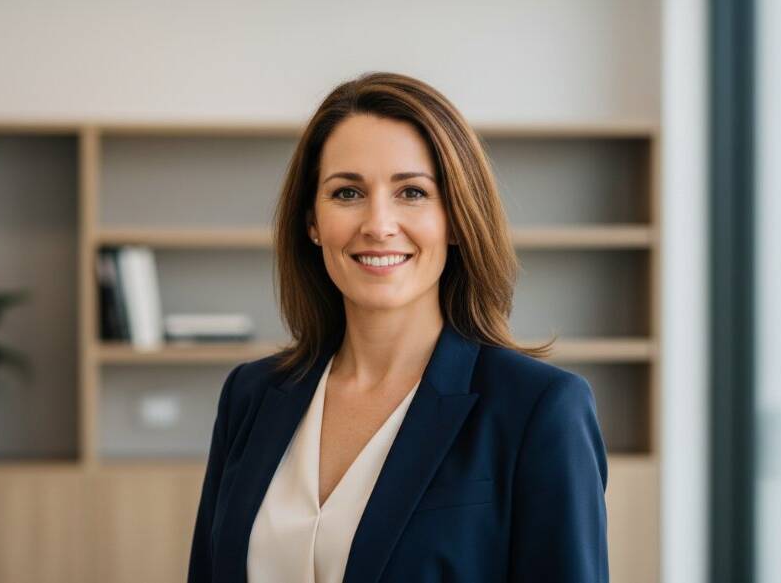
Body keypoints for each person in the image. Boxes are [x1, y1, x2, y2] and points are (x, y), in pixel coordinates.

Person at [187, 71, 608, 583]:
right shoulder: (250, 396)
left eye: (411, 192)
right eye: (347, 193)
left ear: (455, 218)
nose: (378, 224)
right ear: (312, 223)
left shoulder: (539, 408)